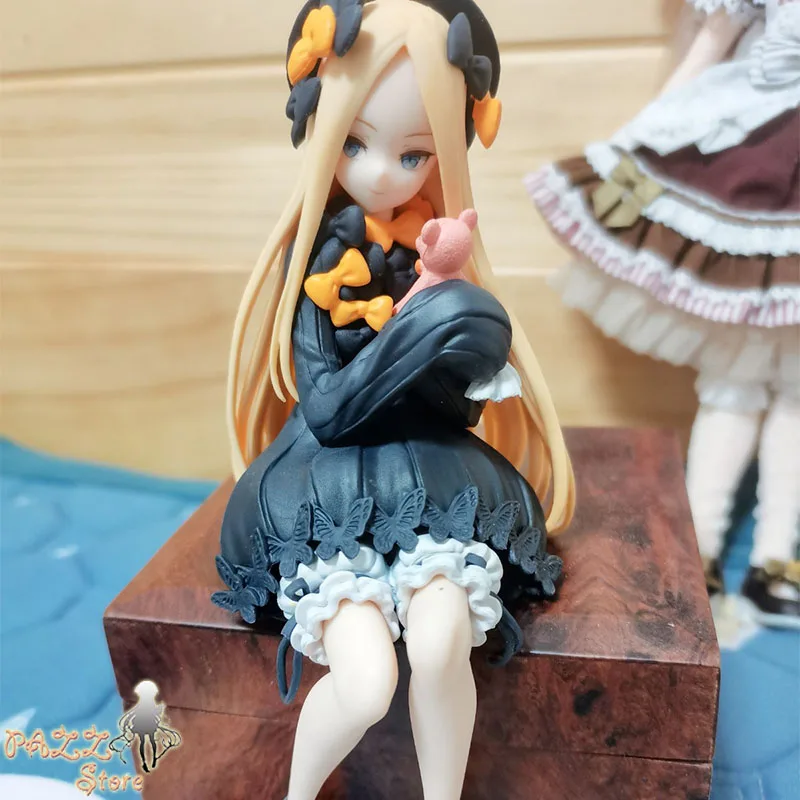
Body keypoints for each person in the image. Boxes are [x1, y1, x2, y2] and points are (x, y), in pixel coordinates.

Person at [211, 2, 576, 797]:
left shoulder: (434, 254)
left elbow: (457, 410)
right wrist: (413, 336)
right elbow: (328, 408)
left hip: (432, 471)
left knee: (443, 643)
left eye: (412, 153)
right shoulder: (319, 269)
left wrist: (455, 330)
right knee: (367, 680)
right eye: (354, 143)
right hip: (325, 477)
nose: (380, 173)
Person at [526, 0, 799, 628]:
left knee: (793, 390)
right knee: (737, 379)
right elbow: (710, 47)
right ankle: (700, 550)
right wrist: (638, 144)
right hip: (750, 167)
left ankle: (774, 559)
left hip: (771, 177)